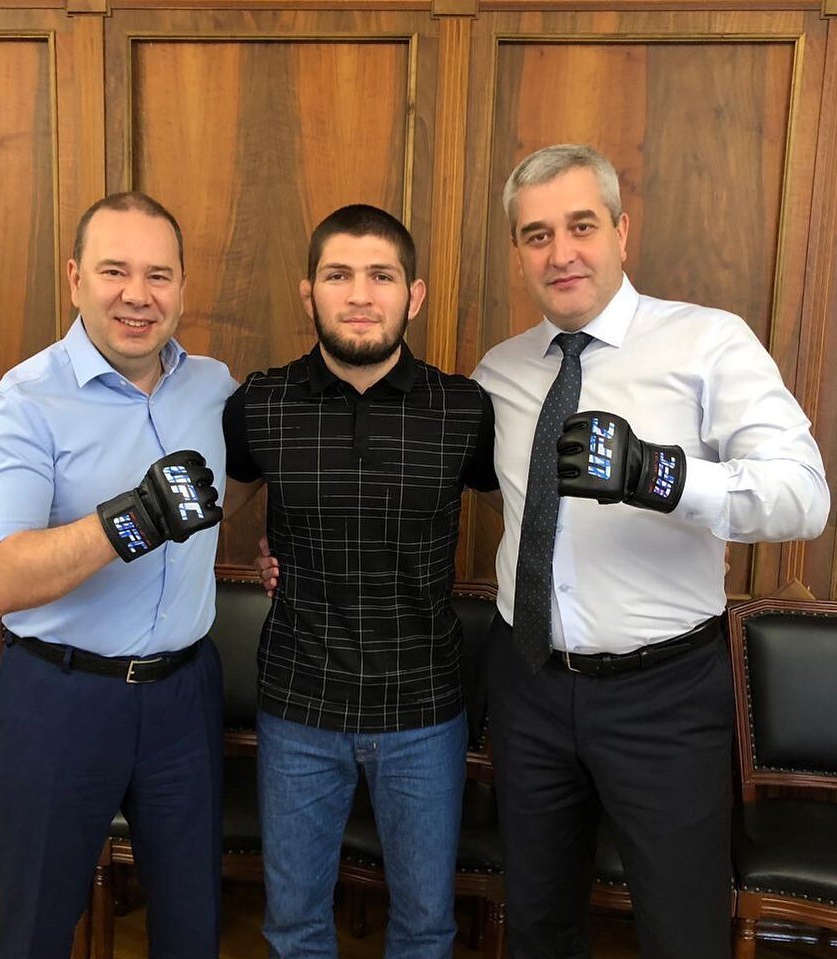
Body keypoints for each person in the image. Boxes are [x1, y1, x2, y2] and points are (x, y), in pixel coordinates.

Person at [472, 144, 830, 959]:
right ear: (518, 251)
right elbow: (492, 494)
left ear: (621, 232)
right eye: (536, 235)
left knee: (682, 932)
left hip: (663, 696)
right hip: (527, 682)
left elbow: (804, 496)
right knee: (536, 925)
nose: (560, 253)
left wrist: (659, 475)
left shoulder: (707, 342)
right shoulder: (499, 371)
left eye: (581, 226)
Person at [0, 192, 235, 959]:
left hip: (184, 693)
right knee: (36, 931)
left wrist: (273, 545)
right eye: (115, 271)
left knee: (192, 926)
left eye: (158, 275)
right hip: (62, 698)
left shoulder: (213, 386)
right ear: (76, 277)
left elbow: (229, 488)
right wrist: (128, 521)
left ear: (182, 287)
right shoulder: (18, 404)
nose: (137, 294)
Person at [222, 204, 498, 959]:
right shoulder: (261, 402)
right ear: (307, 292)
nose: (359, 295)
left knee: (425, 928)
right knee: (294, 926)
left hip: (424, 711)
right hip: (298, 706)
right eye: (338, 275)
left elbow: (536, 518)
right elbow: (210, 509)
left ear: (414, 294)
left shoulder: (463, 409)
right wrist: (258, 549)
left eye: (381, 276)